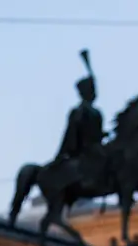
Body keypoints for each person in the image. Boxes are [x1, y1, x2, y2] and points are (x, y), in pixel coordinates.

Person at [56, 49, 109, 193]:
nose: (95, 92)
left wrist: (103, 135)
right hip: (84, 149)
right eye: (93, 89)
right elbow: (72, 132)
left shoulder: (96, 112)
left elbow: (96, 132)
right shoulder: (79, 111)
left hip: (96, 146)